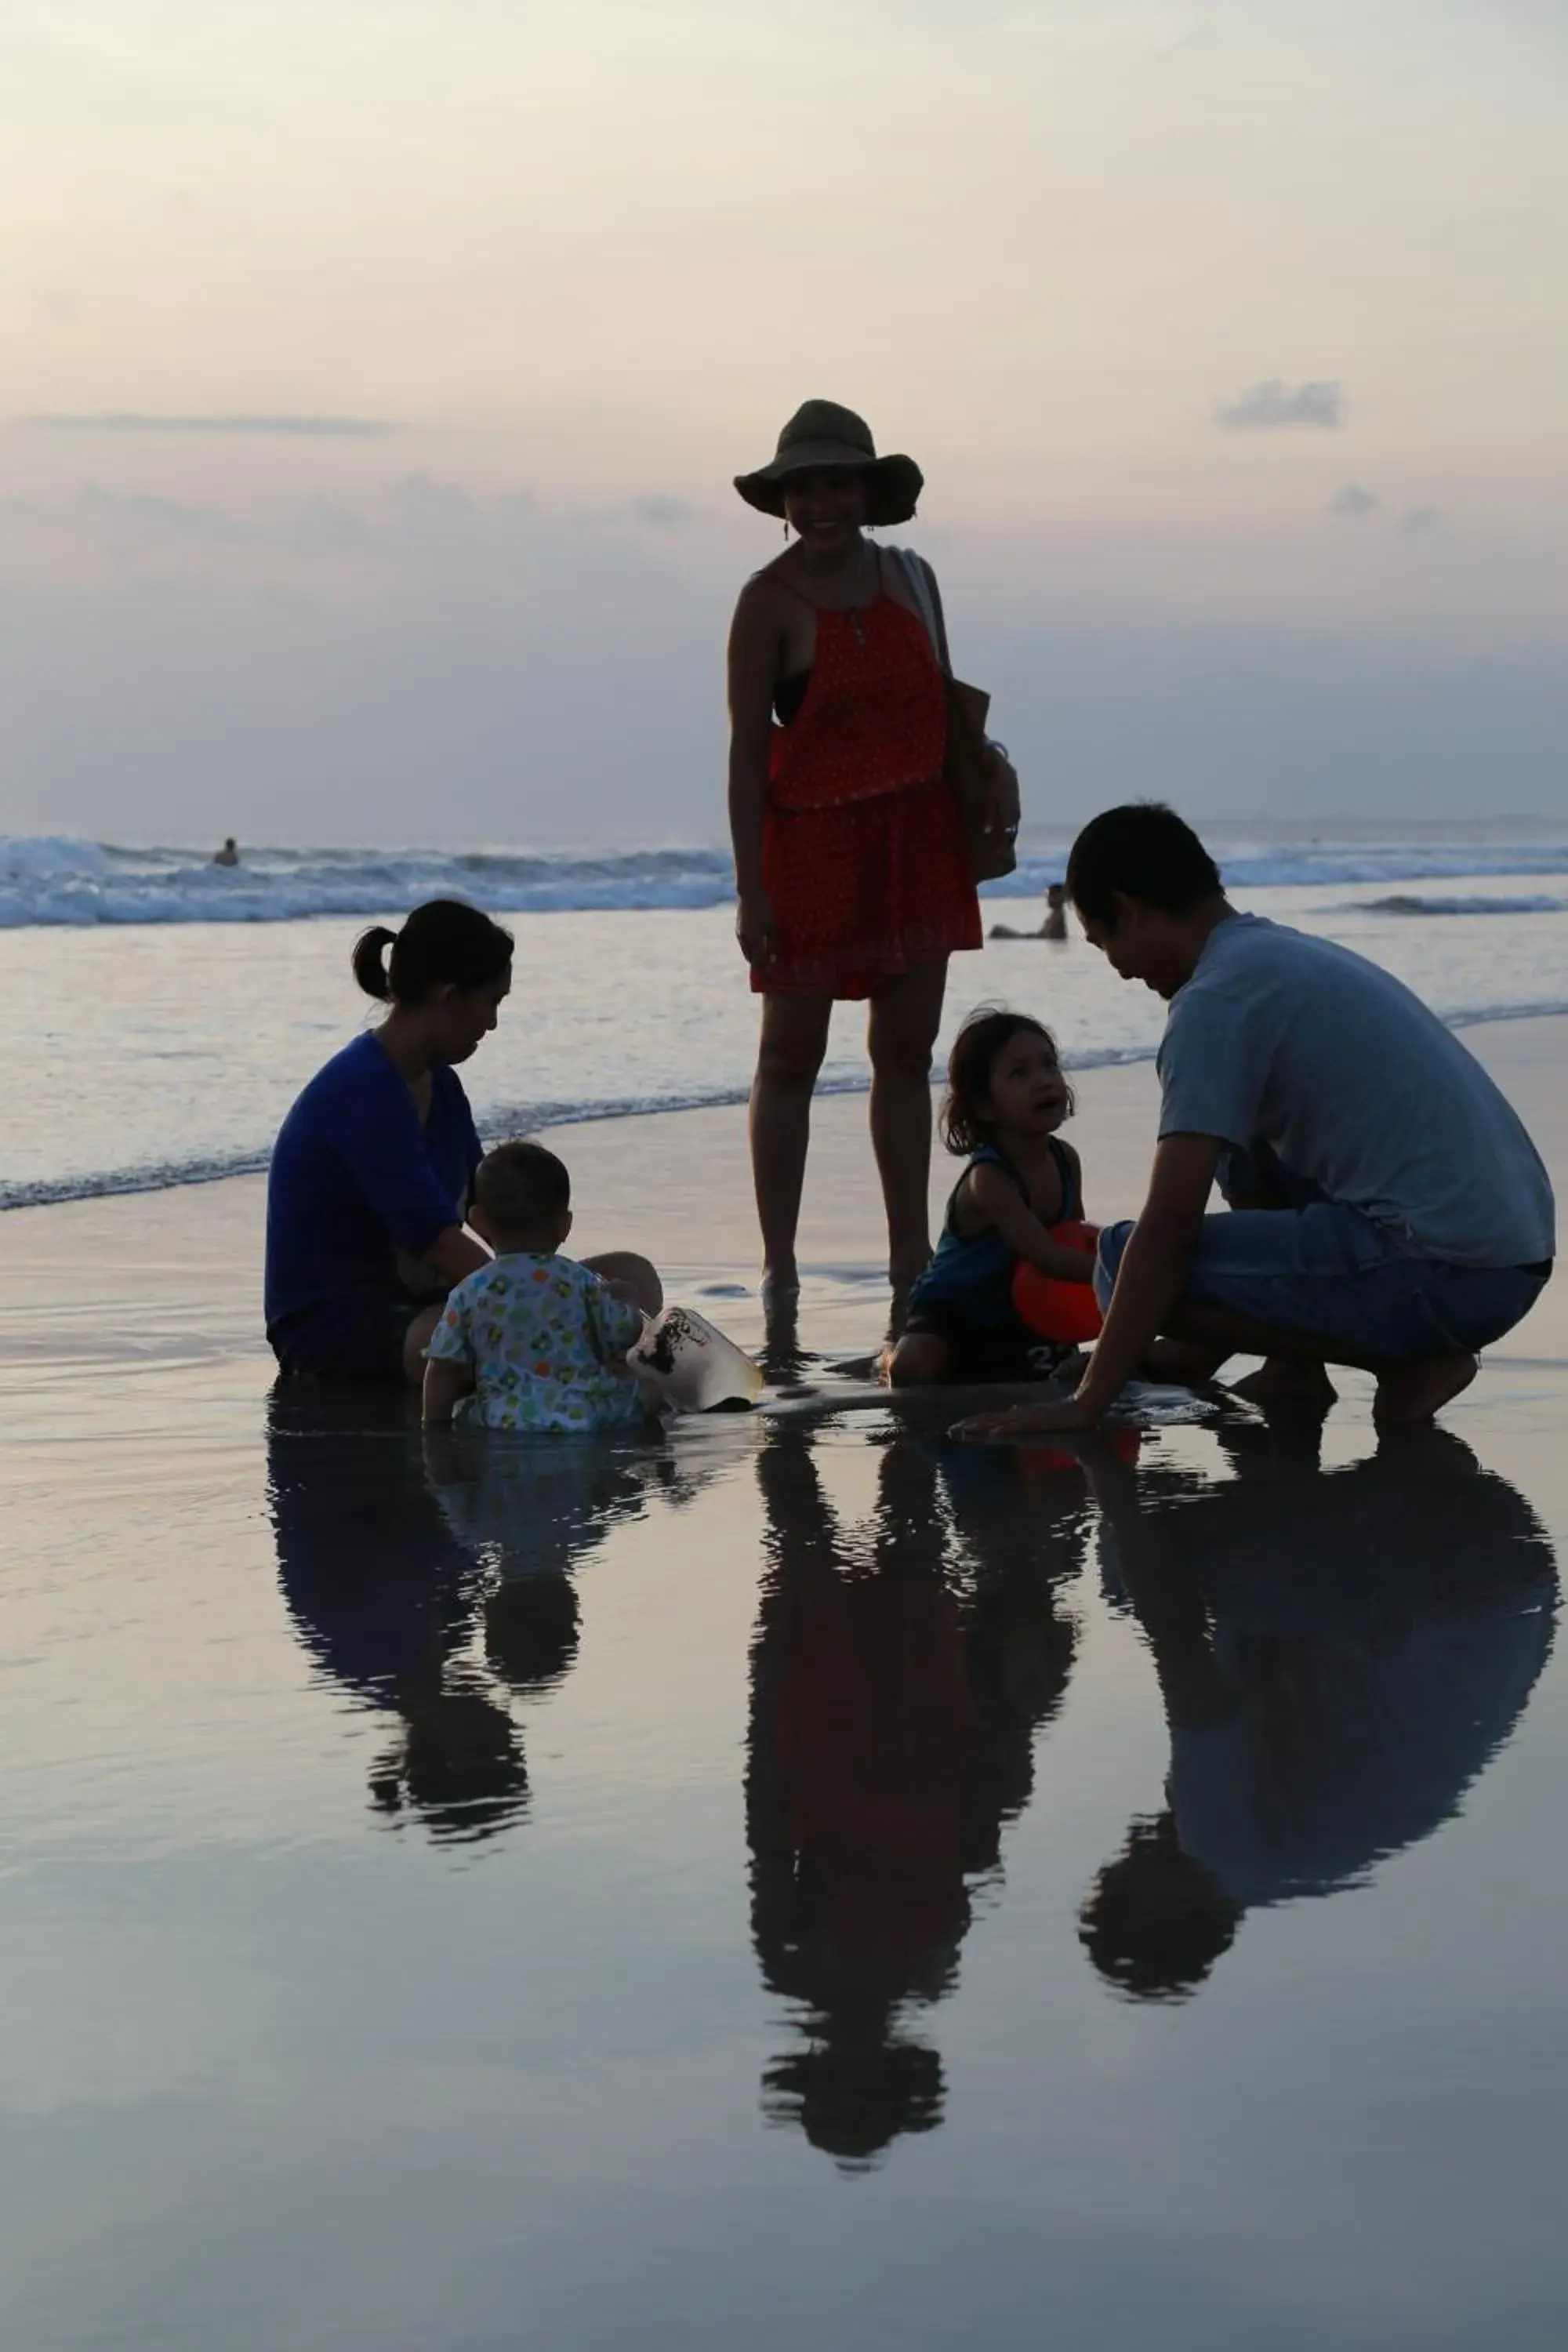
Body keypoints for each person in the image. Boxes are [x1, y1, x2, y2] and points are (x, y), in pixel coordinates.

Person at [957, 803, 1555, 1439]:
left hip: (1445, 1273)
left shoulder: (1214, 1004)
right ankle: (1294, 1367)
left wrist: (1087, 1401)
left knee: (1115, 1260)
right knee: (1245, 1147)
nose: (1123, 970)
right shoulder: (1277, 956)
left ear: (1129, 908)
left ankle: (1408, 1361)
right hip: (1512, 1257)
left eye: (1107, 943)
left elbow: (1169, 1227)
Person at [727, 399, 1016, 1323]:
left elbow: (942, 711)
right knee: (789, 1059)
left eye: (836, 482)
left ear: (865, 489)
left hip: (916, 836)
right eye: (803, 486)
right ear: (782, 498)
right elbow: (742, 756)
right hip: (807, 841)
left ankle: (906, 1261)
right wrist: (749, 888)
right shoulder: (766, 602)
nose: (820, 501)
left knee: (904, 1053)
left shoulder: (912, 581)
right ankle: (780, 1268)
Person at [264, 898, 655, 1385]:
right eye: (491, 1002)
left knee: (633, 1276)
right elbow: (441, 1244)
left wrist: (569, 1290)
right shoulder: (362, 1090)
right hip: (340, 1328)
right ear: (449, 998)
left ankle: (579, 1366)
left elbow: (494, 1210)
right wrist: (556, 1307)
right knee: (470, 1350)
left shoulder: (441, 1086)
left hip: (427, 1301)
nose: (492, 1023)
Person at [888, 1010, 1097, 1386]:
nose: (1044, 1081)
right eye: (1020, 1073)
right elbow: (1047, 1258)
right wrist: (1122, 1272)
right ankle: (884, 1358)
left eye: (1050, 1065)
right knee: (915, 1368)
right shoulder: (990, 1179)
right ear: (983, 1105)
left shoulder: (1065, 1160)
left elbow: (1074, 1242)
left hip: (1019, 1308)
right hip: (955, 1310)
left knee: (1062, 1371)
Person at [422, 1140, 662, 1432]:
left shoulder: (469, 1291)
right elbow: (622, 1334)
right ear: (565, 1225)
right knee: (650, 1389)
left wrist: (434, 1431)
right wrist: (628, 1302)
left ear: (478, 1222)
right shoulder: (579, 1280)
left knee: (465, 1410)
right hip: (582, 1414)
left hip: (503, 1419)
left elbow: (442, 1368)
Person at [988, 881, 1068, 942]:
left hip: (1034, 938)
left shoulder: (1058, 915)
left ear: (1056, 898)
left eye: (1049, 896)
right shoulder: (1057, 914)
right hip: (1033, 937)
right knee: (998, 930)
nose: (1047, 900)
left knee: (997, 930)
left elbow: (1050, 937)